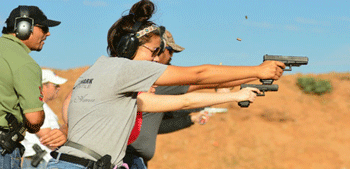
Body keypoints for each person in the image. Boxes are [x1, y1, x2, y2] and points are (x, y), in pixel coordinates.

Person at [46, 0, 285, 168]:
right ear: (130, 47)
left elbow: (184, 100)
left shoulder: (99, 70)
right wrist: (258, 70)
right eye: (153, 51)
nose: (154, 59)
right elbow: (199, 75)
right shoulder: (123, 70)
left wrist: (233, 96)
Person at [123, 30, 258, 169]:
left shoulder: (146, 82)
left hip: (135, 160)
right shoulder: (157, 80)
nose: (171, 57)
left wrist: (191, 119)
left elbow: (157, 125)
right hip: (128, 159)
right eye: (170, 51)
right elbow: (198, 82)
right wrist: (258, 73)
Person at [0, 5, 60, 169]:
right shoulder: (25, 64)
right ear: (24, 27)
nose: (48, 33)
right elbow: (34, 120)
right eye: (44, 28)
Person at [21, 69, 67, 169]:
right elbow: (47, 137)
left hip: (41, 161)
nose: (58, 88)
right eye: (55, 85)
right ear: (43, 86)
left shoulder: (42, 107)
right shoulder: (38, 107)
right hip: (40, 162)